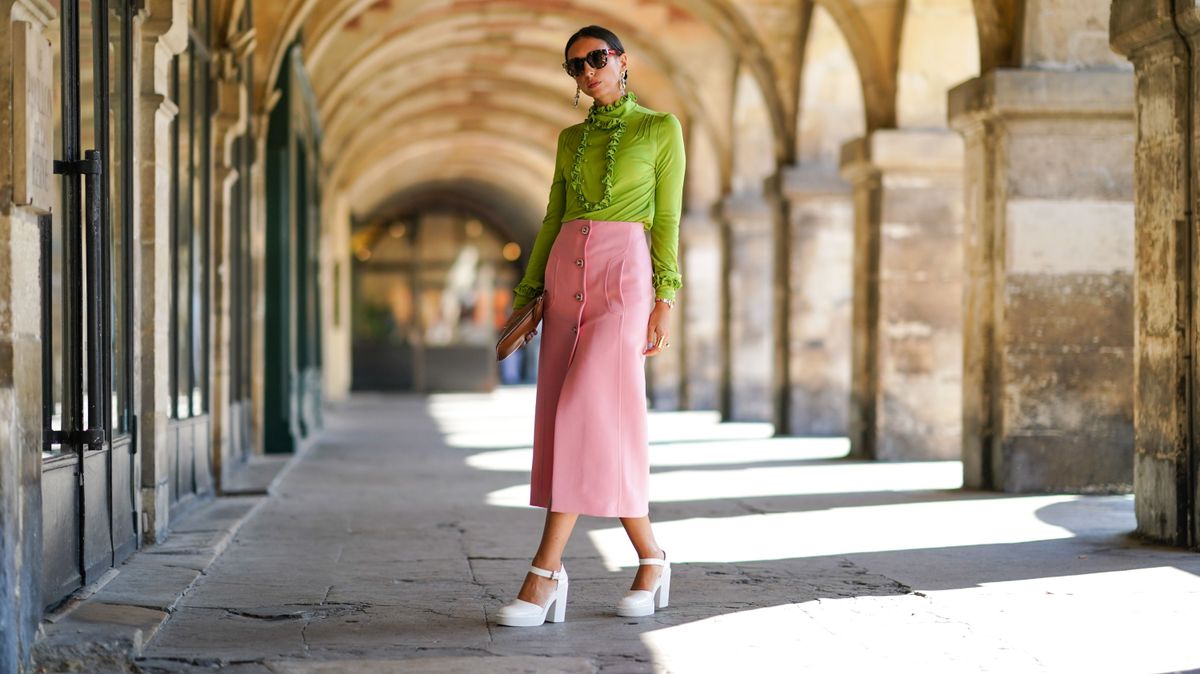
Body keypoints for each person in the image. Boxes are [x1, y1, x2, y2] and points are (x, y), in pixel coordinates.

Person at [494, 25, 685, 627]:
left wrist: (665, 296)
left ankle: (545, 575)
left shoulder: (661, 129)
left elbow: (668, 218)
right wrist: (529, 294)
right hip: (563, 277)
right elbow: (553, 216)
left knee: (582, 410)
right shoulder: (568, 138)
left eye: (597, 59)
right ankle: (651, 559)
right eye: (574, 66)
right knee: (565, 417)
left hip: (623, 277)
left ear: (623, 61)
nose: (587, 72)